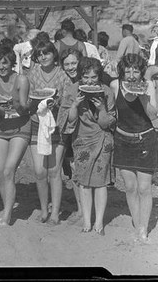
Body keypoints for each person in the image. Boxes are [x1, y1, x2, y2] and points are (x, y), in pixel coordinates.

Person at [60, 58, 116, 235]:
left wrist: (101, 110)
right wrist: (75, 105)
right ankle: (86, 221)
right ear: (80, 76)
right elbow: (68, 119)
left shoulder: (107, 92)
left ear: (99, 76)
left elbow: (108, 123)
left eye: (94, 77)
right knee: (84, 182)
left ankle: (98, 222)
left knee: (100, 183)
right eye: (86, 77)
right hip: (81, 140)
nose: (90, 82)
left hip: (102, 138)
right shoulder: (72, 90)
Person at [110, 54, 158, 243]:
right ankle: (137, 223)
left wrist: (143, 98)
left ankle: (143, 229)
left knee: (144, 188)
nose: (131, 75)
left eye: (136, 70)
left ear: (141, 72)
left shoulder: (149, 86)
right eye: (128, 70)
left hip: (145, 139)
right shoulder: (115, 86)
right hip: (122, 139)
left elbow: (153, 115)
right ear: (122, 70)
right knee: (130, 187)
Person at [27, 41, 71, 225]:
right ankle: (44, 209)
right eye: (39, 54)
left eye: (47, 53)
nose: (43, 57)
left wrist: (57, 102)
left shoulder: (63, 75)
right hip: (37, 123)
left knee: (54, 170)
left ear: (54, 54)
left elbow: (68, 101)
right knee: (39, 171)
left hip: (57, 125)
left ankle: (55, 213)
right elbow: (29, 98)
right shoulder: (33, 73)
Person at [0, 46, 31, 226]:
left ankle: (7, 216)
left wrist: (14, 103)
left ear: (12, 63)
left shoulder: (21, 79)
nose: (0, 66)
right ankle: (8, 207)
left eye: (4, 63)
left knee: (8, 171)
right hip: (2, 126)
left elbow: (24, 109)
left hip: (21, 126)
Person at [58, 48, 84, 224]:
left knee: (84, 169)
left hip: (87, 131)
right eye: (66, 64)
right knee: (74, 168)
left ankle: (88, 208)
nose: (70, 67)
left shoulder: (89, 78)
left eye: (73, 63)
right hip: (69, 129)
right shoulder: (64, 81)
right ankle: (81, 209)